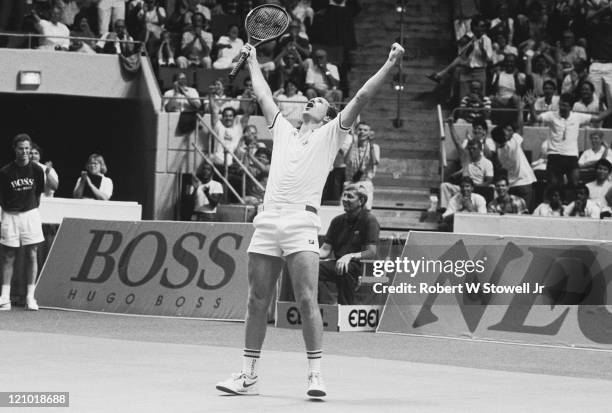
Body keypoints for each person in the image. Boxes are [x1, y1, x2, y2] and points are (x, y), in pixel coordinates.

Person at [215, 42, 405, 398]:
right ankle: (248, 374)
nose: (310, 101)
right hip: (268, 221)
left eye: (317, 102)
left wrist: (390, 64)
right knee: (257, 299)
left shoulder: (332, 133)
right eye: (309, 100)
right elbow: (263, 94)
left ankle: (315, 375)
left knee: (305, 298)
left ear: (328, 114)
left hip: (302, 224)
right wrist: (253, 61)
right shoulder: (284, 130)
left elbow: (362, 96)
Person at [524, 92, 612, 190]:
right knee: (553, 186)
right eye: (560, 104)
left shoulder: (577, 117)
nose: (561, 107)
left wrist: (610, 109)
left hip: (571, 156)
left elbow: (598, 118)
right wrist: (531, 105)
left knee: (574, 184)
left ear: (570, 106)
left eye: (564, 105)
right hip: (554, 155)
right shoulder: (551, 115)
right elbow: (535, 119)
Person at [0, 134, 45, 311]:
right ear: (15, 149)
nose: (24, 152)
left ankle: (30, 297)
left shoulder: (37, 170)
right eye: (21, 148)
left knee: (32, 254)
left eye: (27, 148)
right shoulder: (5, 172)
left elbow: (38, 193)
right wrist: (10, 211)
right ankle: (5, 298)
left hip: (31, 214)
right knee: (8, 256)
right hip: (10, 216)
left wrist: (29, 208)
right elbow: (2, 197)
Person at [318, 184, 379, 305]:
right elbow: (325, 250)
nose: (345, 199)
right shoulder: (337, 221)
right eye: (344, 195)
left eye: (350, 196)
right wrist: (310, 255)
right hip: (338, 264)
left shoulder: (369, 220)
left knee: (346, 269)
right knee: (314, 268)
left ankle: (345, 311)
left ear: (361, 201)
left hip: (360, 267)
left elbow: (371, 252)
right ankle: (326, 307)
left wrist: (350, 256)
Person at [490, 124, 537, 208]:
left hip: (512, 185)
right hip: (525, 182)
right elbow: (520, 127)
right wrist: (520, 111)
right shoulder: (513, 142)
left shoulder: (500, 153)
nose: (508, 131)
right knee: (524, 212)